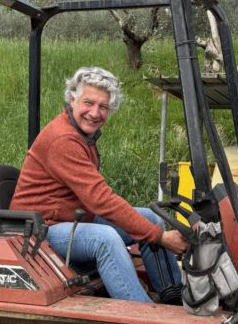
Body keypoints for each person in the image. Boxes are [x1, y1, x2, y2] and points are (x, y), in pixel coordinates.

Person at [10, 66, 188, 302]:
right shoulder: (64, 140)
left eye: (103, 107)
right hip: (40, 228)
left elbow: (97, 200)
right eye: (88, 103)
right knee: (105, 239)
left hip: (72, 217)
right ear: (72, 100)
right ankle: (140, 314)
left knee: (151, 219)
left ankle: (173, 297)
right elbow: (100, 199)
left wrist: (155, 231)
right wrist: (160, 237)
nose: (95, 113)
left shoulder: (83, 136)